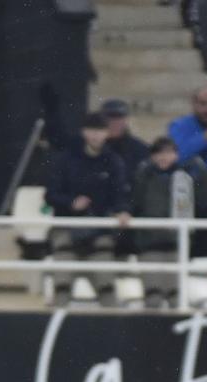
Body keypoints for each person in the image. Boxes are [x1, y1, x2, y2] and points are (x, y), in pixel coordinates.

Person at [45, 113, 132, 306]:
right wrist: (71, 202)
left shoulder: (114, 162)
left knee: (107, 291)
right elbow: (50, 194)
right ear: (84, 132)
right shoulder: (66, 159)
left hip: (99, 231)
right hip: (67, 228)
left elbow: (120, 195)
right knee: (62, 289)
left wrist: (122, 210)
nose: (95, 136)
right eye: (91, 131)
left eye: (99, 131)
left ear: (106, 134)